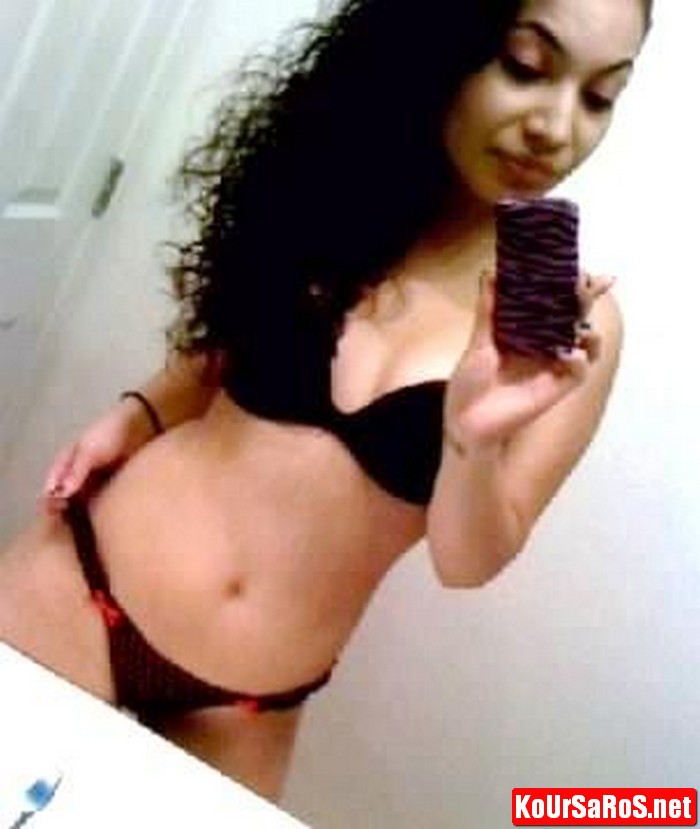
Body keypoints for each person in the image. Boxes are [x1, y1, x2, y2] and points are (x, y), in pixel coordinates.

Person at [0, 0, 652, 803]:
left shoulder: (568, 325)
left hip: (245, 705)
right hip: (84, 589)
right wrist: (136, 414)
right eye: (525, 66)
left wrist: (472, 440)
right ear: (444, 46)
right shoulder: (336, 190)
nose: (557, 127)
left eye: (599, 96)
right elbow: (224, 351)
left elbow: (467, 559)